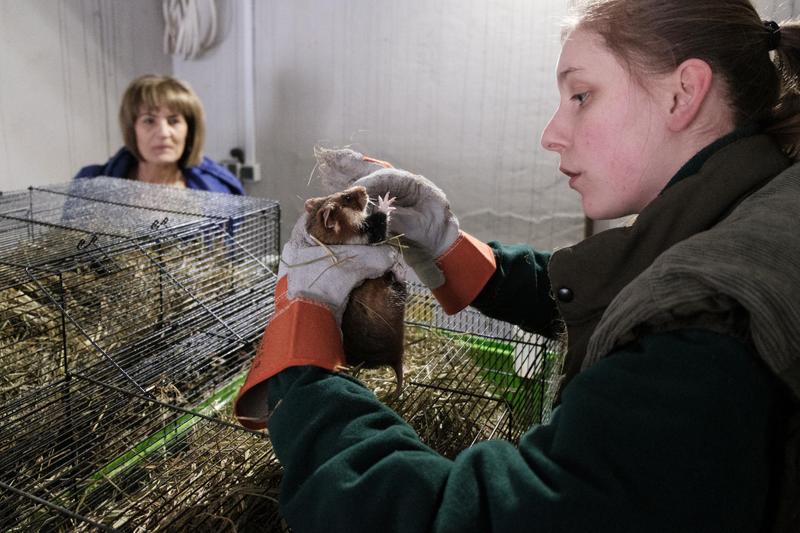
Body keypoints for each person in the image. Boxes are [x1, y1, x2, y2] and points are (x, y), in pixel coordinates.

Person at [234, 1, 800, 531]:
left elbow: (465, 517)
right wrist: (450, 246)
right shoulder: (755, 205)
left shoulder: (703, 332)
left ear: (684, 93)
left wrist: (300, 365)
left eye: (581, 95)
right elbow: (624, 279)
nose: (551, 135)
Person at [74, 74, 244, 195]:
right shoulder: (91, 187)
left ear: (189, 130)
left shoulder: (216, 192)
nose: (163, 133)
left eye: (173, 121)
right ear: (132, 129)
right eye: (149, 121)